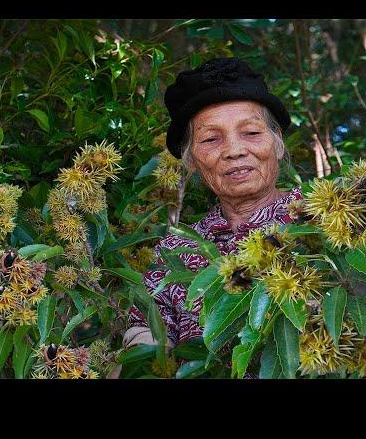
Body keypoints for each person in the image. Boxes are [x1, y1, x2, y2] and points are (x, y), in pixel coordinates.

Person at [121, 57, 303, 360]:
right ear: (191, 159)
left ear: (278, 142)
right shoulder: (174, 251)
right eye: (210, 139)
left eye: (252, 133)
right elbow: (146, 347)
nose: (234, 150)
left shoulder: (328, 220)